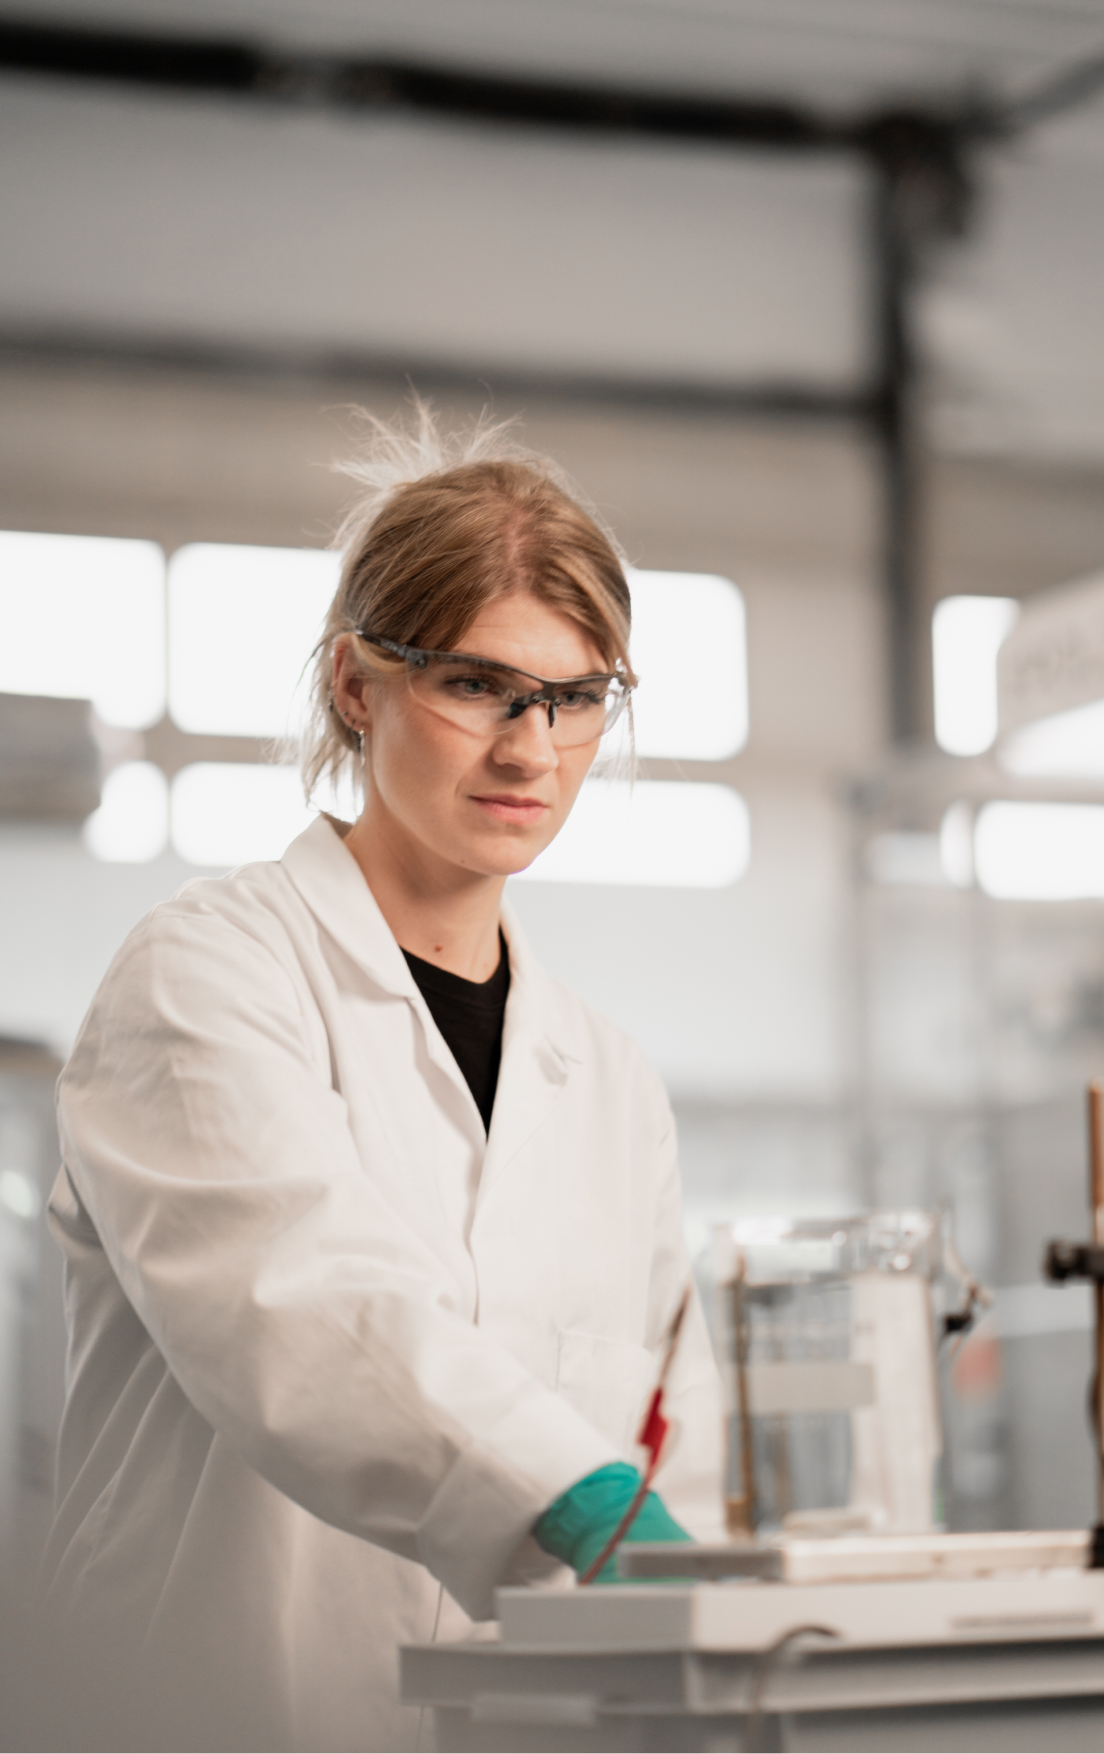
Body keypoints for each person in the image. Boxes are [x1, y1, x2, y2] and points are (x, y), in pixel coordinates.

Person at [41, 411, 724, 1752]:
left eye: (577, 697)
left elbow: (670, 1429)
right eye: (478, 684)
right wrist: (583, 1508)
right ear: (358, 684)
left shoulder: (611, 1082)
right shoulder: (204, 979)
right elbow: (306, 1311)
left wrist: (692, 1636)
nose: (531, 748)